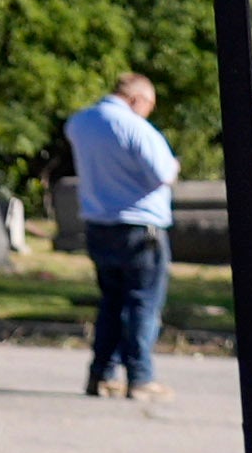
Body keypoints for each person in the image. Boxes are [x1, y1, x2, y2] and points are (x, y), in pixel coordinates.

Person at [66, 72, 178, 401]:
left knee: (111, 303)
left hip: (99, 222)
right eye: (149, 106)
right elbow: (163, 173)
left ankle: (101, 374)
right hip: (141, 226)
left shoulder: (79, 123)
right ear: (137, 99)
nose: (148, 112)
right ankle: (141, 378)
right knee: (143, 303)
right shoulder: (136, 127)